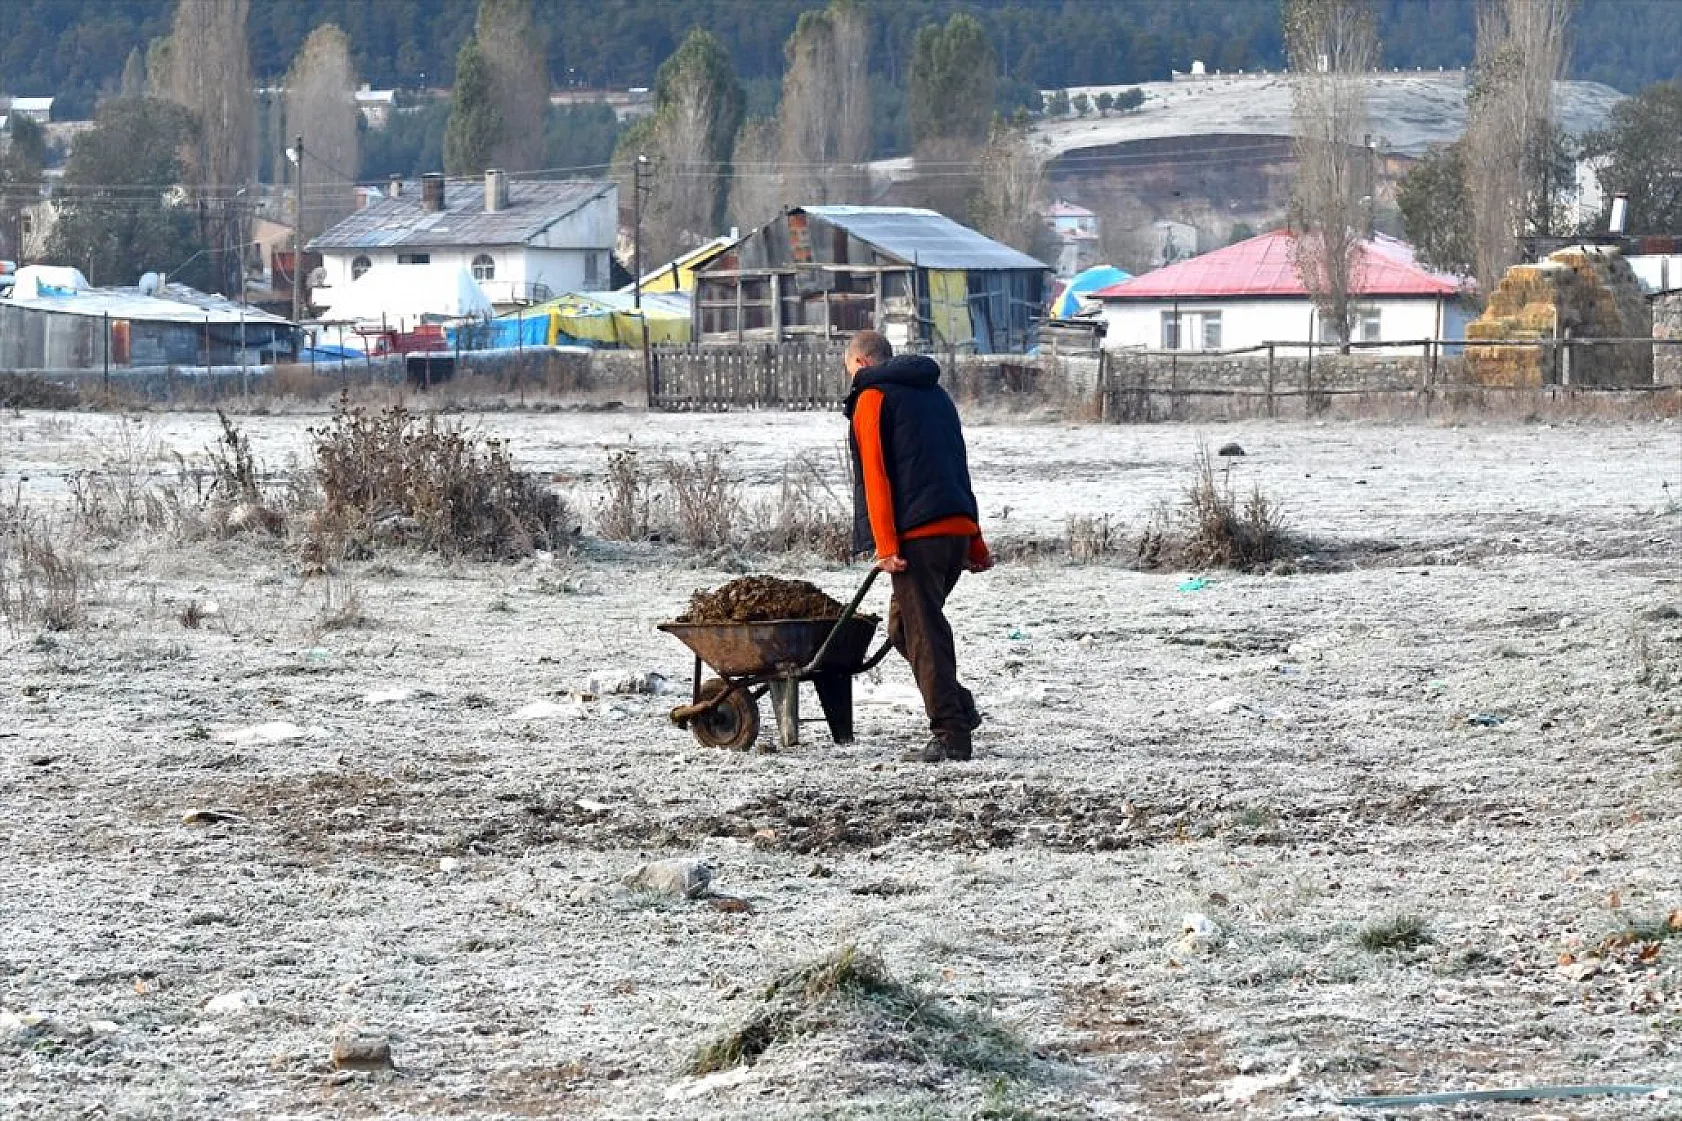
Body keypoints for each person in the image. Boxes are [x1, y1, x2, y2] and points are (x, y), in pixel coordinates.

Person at [843, 330, 992, 763]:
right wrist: (974, 541)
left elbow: (875, 477)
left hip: (917, 537)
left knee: (924, 633)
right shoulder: (937, 396)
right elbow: (956, 467)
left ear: (862, 364)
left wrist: (885, 545)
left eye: (849, 370)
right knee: (904, 629)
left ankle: (950, 733)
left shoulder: (871, 398)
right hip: (954, 530)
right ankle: (958, 705)